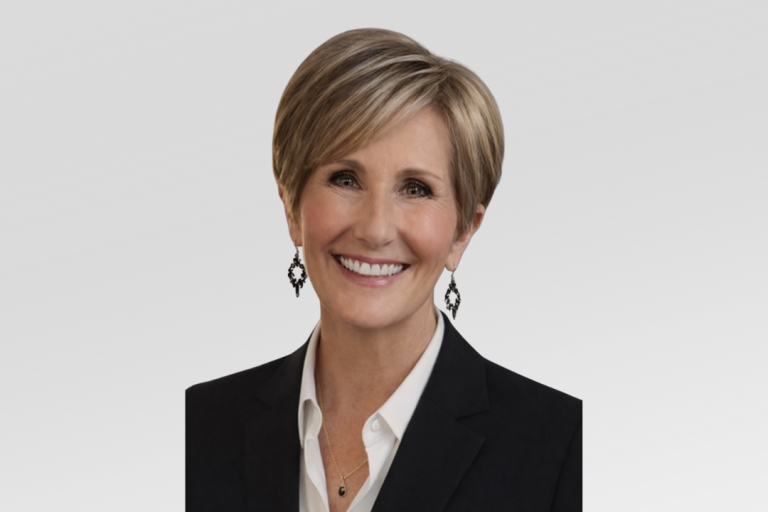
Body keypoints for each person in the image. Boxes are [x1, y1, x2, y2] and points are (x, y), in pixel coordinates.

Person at [186, 28, 581, 512]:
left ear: (463, 232)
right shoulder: (195, 427)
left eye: (415, 189)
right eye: (345, 179)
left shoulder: (567, 450)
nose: (375, 229)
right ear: (292, 208)